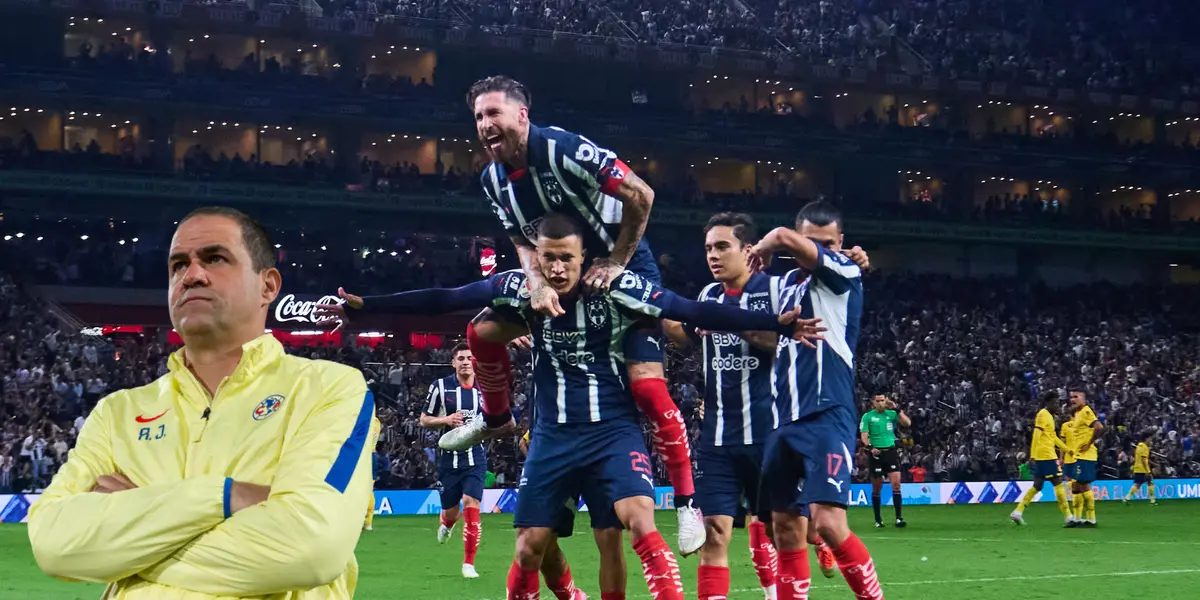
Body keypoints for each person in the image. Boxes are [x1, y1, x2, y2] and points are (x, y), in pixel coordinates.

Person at [320, 213, 821, 600]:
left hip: (612, 429)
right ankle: (495, 419)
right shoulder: (520, 288)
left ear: (586, 260)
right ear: (534, 258)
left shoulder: (617, 286)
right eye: (547, 259)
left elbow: (687, 309)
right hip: (553, 435)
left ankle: (682, 514)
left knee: (637, 522)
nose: (556, 269)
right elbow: (444, 298)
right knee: (528, 547)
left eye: (567, 259)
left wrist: (776, 325)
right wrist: (369, 306)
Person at [28, 206, 376, 599]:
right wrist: (224, 497)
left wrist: (132, 537)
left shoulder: (330, 389)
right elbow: (53, 543)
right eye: (178, 265)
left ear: (268, 286)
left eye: (215, 258)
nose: (191, 275)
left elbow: (310, 549)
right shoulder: (117, 413)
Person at [450, 74, 706, 555]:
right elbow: (521, 239)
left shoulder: (565, 150)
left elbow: (641, 194)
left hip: (620, 273)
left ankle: (688, 503)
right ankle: (496, 417)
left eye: (494, 113)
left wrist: (617, 260)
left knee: (648, 389)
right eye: (479, 117)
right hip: (560, 276)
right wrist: (535, 280)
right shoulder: (491, 180)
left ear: (522, 114)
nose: (485, 124)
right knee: (481, 331)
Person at [663, 213, 849, 600]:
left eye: (722, 247)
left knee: (792, 532)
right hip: (717, 437)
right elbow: (684, 335)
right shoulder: (708, 296)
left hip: (770, 436)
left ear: (748, 250)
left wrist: (733, 324)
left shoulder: (776, 291)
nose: (713, 256)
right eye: (708, 249)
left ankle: (819, 542)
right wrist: (648, 306)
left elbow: (786, 343)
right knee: (715, 533)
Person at [750, 200, 885, 600]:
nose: (820, 250)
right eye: (812, 242)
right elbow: (763, 330)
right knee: (784, 529)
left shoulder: (844, 271)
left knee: (827, 523)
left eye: (828, 243)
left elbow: (783, 237)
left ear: (841, 243)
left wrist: (772, 241)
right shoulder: (785, 285)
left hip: (826, 412)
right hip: (783, 419)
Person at [420, 343, 486, 578]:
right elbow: (424, 420)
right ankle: (447, 524)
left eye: (469, 358)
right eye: (461, 358)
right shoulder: (440, 387)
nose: (466, 362)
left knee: (471, 501)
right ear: (453, 363)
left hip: (475, 456)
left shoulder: (486, 387)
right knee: (450, 512)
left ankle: (469, 563)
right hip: (448, 459)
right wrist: (445, 419)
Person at [1009, 392, 1072, 526]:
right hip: (1046, 455)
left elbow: (1053, 437)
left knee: (1038, 485)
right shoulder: (1043, 415)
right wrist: (1032, 455)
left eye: (1058, 403)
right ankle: (1068, 517)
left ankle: (1018, 512)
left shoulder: (1049, 416)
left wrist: (1067, 450)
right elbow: (1036, 435)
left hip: (1042, 455)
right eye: (1055, 403)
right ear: (1048, 403)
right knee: (1058, 483)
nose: (1057, 405)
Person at [859, 394, 911, 529]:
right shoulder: (867, 416)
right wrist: (870, 447)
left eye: (882, 401)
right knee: (877, 487)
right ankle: (878, 519)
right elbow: (864, 435)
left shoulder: (891, 414)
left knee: (896, 485)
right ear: (873, 402)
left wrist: (897, 409)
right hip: (876, 454)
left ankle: (899, 518)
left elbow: (907, 423)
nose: (880, 403)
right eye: (878, 401)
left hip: (890, 452)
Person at [1066, 388, 1104, 528]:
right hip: (1078, 455)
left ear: (1083, 399)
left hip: (1086, 456)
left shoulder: (1086, 411)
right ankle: (1077, 519)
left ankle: (1091, 519)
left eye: (1076, 396)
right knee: (1076, 487)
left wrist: (1089, 443)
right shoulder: (1078, 414)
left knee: (1083, 485)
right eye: (1071, 397)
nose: (1073, 399)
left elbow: (1099, 427)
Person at [1124, 432, 1157, 506]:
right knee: (1142, 483)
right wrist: (1148, 471)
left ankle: (1152, 500)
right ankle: (1127, 498)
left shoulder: (1139, 446)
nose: (1151, 441)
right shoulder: (1144, 447)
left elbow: (1144, 459)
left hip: (1138, 468)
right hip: (1142, 469)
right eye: (1150, 439)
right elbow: (1143, 460)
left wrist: (1153, 464)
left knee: (1146, 483)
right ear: (1146, 439)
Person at [1059, 418, 1077, 506]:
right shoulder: (1082, 424)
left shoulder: (1065, 425)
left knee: (1068, 478)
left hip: (1069, 457)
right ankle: (1077, 498)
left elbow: (1062, 444)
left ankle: (1074, 498)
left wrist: (1061, 457)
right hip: (1079, 456)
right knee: (1078, 478)